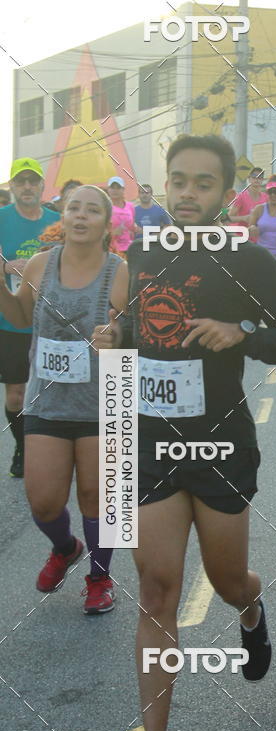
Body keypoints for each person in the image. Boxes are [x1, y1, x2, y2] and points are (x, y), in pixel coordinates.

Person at [104, 134, 276, 731]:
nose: (188, 193)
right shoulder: (138, 256)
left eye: (202, 183)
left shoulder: (247, 260)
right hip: (151, 442)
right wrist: (114, 341)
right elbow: (136, 339)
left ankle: (251, 610)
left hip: (220, 444)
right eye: (178, 181)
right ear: (164, 187)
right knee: (158, 587)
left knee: (225, 581)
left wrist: (242, 333)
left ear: (226, 194)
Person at [0, 185, 127, 612]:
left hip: (102, 403)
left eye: (93, 210)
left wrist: (118, 337)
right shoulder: (39, 265)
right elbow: (19, 317)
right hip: (47, 401)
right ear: (63, 216)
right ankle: (65, 547)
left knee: (98, 497)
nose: (81, 216)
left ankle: (99, 577)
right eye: (74, 207)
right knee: (43, 500)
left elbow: (135, 337)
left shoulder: (119, 272)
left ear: (107, 225)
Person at [0, 157, 60, 477]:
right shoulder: (1, 218)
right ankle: (23, 448)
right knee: (16, 393)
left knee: (53, 392)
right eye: (20, 181)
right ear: (12, 186)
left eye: (32, 181)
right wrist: (7, 267)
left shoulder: (57, 220)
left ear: (41, 186)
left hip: (52, 321)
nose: (26, 187)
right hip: (11, 321)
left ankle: (53, 451)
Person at [229, 167, 267, 242]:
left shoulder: (266, 198)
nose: (257, 179)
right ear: (249, 179)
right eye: (254, 177)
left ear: (262, 180)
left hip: (260, 240)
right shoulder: (241, 197)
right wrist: (244, 218)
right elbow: (229, 218)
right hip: (243, 239)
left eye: (260, 177)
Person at [107, 176, 136, 254]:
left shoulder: (130, 206)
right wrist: (113, 233)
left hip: (129, 249)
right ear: (108, 190)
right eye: (112, 188)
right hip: (111, 250)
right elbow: (100, 234)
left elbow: (132, 227)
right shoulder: (105, 208)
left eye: (118, 188)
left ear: (123, 190)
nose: (115, 191)